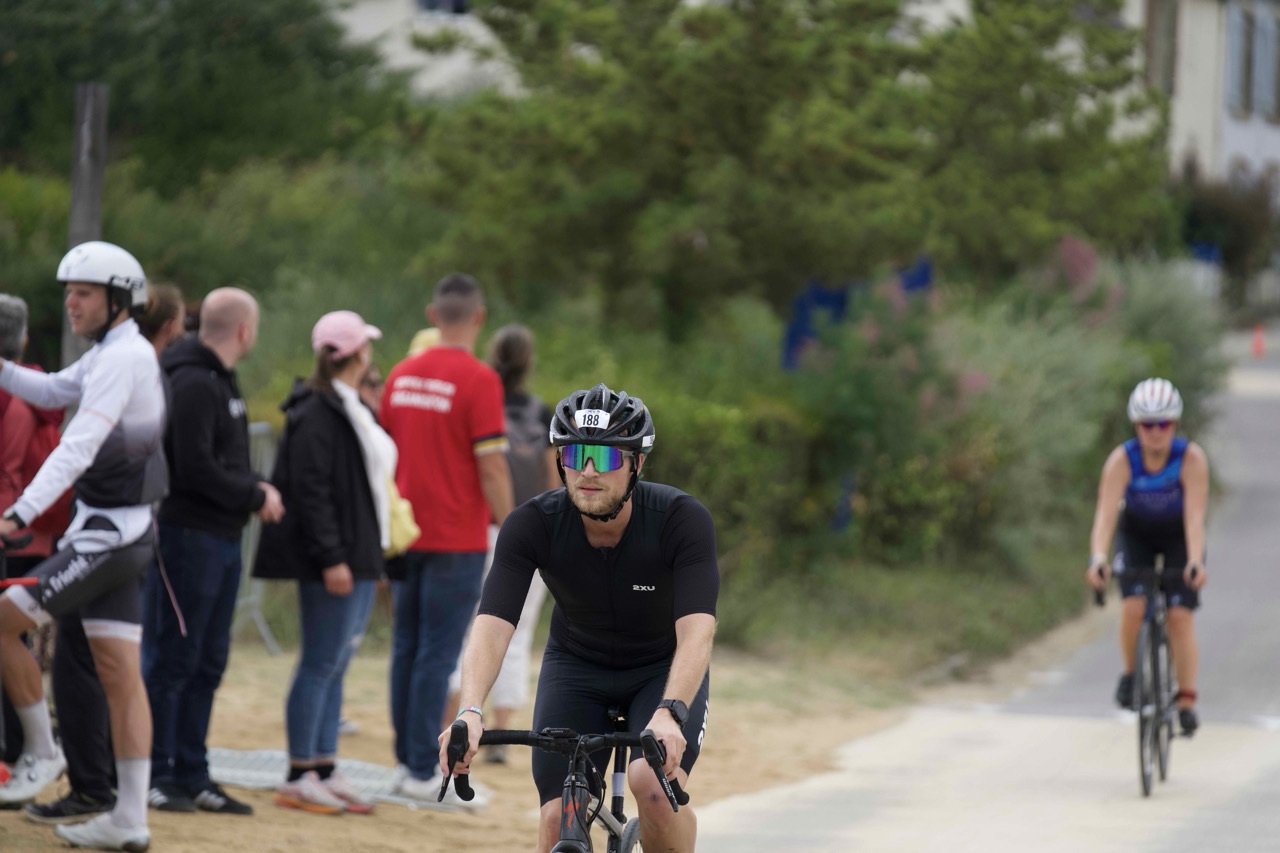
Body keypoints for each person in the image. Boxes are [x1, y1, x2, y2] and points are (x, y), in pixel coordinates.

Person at [443, 383, 718, 853]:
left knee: (652, 788)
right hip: (577, 666)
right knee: (557, 816)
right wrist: (469, 709)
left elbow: (697, 631)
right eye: (575, 455)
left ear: (636, 464)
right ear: (560, 460)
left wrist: (671, 712)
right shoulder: (532, 523)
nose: (588, 471)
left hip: (660, 668)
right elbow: (492, 623)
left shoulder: (680, 519)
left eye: (606, 458)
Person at [0, 240, 168, 851]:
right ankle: (128, 819)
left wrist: (16, 513)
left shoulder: (122, 358)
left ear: (119, 299)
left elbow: (78, 445)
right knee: (121, 677)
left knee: (1, 622)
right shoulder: (113, 352)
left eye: (84, 293)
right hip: (120, 534)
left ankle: (43, 752)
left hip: (107, 537)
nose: (71, 302)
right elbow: (51, 391)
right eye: (68, 292)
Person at [141, 287, 284, 816]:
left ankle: (193, 772)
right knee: (174, 659)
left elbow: (225, 458)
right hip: (187, 539)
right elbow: (194, 466)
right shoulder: (194, 381)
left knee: (208, 661)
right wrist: (254, 495)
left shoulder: (221, 378)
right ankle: (156, 773)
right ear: (245, 331)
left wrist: (255, 485)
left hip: (221, 540)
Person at [378, 273, 513, 800]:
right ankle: (419, 768)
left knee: (406, 649)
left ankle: (405, 761)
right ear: (479, 318)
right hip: (457, 539)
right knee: (436, 655)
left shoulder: (400, 374)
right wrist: (513, 528)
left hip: (404, 534)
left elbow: (383, 452)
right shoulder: (480, 379)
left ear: (433, 316)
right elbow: (492, 467)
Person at [254, 310, 391, 815]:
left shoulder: (348, 403)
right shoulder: (316, 409)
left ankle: (324, 766)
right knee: (319, 663)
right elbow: (311, 491)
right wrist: (332, 557)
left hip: (359, 553)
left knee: (335, 665)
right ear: (356, 353)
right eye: (366, 346)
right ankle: (299, 773)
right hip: (334, 559)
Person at [444, 324, 558, 763]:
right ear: (529, 362)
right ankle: (504, 728)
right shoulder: (541, 412)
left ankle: (457, 721)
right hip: (531, 530)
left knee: (472, 627)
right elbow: (553, 480)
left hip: (480, 528)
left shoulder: (478, 402)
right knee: (520, 629)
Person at [1086, 377, 1208, 735]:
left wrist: (1195, 561)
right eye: (1147, 424)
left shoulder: (1190, 459)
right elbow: (1105, 516)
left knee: (1180, 617)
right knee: (1132, 607)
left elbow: (1195, 518)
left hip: (1178, 536)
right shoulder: (1122, 460)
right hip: (1136, 534)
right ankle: (1130, 675)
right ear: (1136, 426)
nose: (1155, 432)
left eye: (1163, 424)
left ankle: (1186, 700)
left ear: (1175, 424)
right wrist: (1097, 558)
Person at [0, 295, 63, 774]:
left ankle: (20, 748)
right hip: (35, 534)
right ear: (22, 340)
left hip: (11, 532)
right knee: (17, 642)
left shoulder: (13, 404)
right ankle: (22, 746)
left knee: (9, 641)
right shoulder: (37, 401)